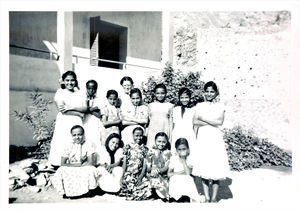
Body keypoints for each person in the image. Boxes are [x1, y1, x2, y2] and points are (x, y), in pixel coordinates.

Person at [192, 81, 230, 203]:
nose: (209, 94)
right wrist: (211, 122)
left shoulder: (220, 106)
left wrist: (203, 118)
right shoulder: (199, 106)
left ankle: (213, 198)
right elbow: (195, 122)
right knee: (204, 167)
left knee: (215, 167)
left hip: (215, 138)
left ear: (216, 93)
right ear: (204, 92)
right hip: (203, 137)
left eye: (212, 91)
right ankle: (207, 197)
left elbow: (220, 122)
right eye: (207, 91)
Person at [48, 71, 87, 167]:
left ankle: (75, 162)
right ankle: (59, 163)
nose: (70, 83)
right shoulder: (60, 92)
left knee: (77, 140)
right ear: (63, 81)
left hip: (76, 121)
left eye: (72, 80)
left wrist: (71, 107)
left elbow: (85, 108)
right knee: (63, 140)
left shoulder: (79, 93)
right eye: (67, 80)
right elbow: (62, 110)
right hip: (64, 120)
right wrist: (78, 113)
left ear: (75, 81)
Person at [51, 125, 98, 198]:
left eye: (79, 134)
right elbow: (62, 163)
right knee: (60, 170)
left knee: (91, 169)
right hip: (72, 167)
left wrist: (81, 165)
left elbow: (90, 162)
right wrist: (77, 165)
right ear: (71, 136)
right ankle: (66, 192)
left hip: (84, 167)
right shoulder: (69, 145)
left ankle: (88, 191)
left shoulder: (88, 144)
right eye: (74, 135)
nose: (77, 137)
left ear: (83, 134)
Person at [168, 138, 205, 203]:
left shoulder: (190, 158)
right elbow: (169, 174)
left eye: (184, 149)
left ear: (187, 149)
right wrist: (181, 172)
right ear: (176, 150)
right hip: (176, 177)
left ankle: (186, 197)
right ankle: (175, 198)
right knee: (174, 179)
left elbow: (188, 173)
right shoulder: (173, 158)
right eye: (179, 149)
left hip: (187, 177)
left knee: (188, 179)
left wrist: (183, 160)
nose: (181, 151)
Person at [119, 127, 152, 200]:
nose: (139, 138)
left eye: (141, 136)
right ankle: (133, 192)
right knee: (128, 183)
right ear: (133, 136)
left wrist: (140, 177)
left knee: (149, 187)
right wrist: (122, 176)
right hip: (129, 173)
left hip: (140, 174)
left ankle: (135, 192)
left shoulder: (145, 148)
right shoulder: (128, 147)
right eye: (136, 135)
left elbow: (144, 165)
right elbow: (124, 163)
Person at [146, 132, 171, 200]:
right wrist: (152, 170)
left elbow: (166, 167)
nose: (161, 144)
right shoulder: (151, 151)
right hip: (151, 174)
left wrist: (158, 171)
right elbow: (148, 167)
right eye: (159, 141)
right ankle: (153, 193)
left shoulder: (168, 153)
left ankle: (159, 193)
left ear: (167, 142)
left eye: (163, 142)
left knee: (163, 191)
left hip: (162, 176)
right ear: (155, 141)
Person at [147, 84, 173, 148]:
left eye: (162, 93)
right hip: (152, 132)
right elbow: (148, 120)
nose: (160, 95)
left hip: (165, 130)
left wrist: (170, 137)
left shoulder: (170, 106)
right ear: (154, 94)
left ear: (166, 93)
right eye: (158, 93)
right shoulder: (150, 105)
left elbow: (171, 122)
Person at [171, 88, 197, 155]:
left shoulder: (193, 110)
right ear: (179, 98)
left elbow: (195, 125)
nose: (184, 99)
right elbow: (173, 125)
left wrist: (196, 138)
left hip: (189, 134)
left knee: (189, 154)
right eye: (182, 97)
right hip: (177, 134)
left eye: (186, 97)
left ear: (190, 98)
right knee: (176, 154)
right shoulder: (175, 109)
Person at [82, 80, 104, 152]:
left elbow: (99, 115)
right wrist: (93, 109)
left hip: (95, 123)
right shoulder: (83, 98)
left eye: (93, 88)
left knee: (96, 139)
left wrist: (88, 110)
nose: (91, 90)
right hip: (85, 122)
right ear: (86, 88)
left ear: (96, 89)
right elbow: (82, 111)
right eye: (89, 88)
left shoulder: (99, 100)